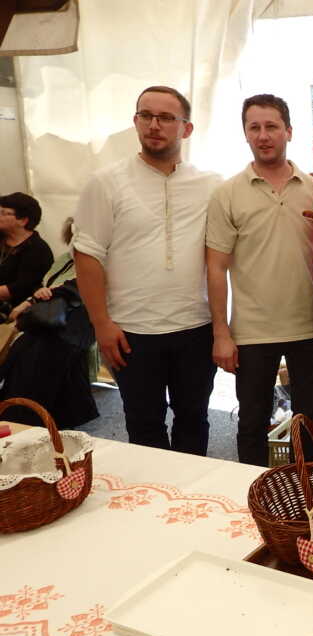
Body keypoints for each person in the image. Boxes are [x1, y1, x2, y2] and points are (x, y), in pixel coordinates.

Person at [73, 85, 220, 455]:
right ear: (136, 121)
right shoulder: (106, 182)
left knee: (194, 419)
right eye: (146, 115)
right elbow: (87, 255)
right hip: (132, 331)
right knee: (143, 424)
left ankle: (191, 491)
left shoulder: (210, 185)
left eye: (166, 117)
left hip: (196, 327)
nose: (154, 125)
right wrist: (101, 324)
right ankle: (153, 491)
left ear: (186, 128)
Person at [206, 94, 313, 467]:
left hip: (309, 325)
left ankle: (308, 492)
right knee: (252, 422)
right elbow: (216, 267)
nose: (263, 135)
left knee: (309, 425)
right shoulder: (227, 194)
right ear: (245, 133)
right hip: (252, 331)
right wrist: (221, 332)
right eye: (254, 127)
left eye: (272, 126)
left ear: (288, 131)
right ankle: (253, 491)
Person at [0, 218, 97, 429]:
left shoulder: (97, 260)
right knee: (46, 390)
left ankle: (25, 430)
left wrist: (37, 298)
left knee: (33, 390)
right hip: (48, 326)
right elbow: (45, 285)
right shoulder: (66, 259)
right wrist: (37, 295)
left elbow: (78, 287)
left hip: (67, 329)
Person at [0, 192, 54, 310]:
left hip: (18, 309)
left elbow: (21, 288)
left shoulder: (38, 249)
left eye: (3, 213)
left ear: (23, 221)